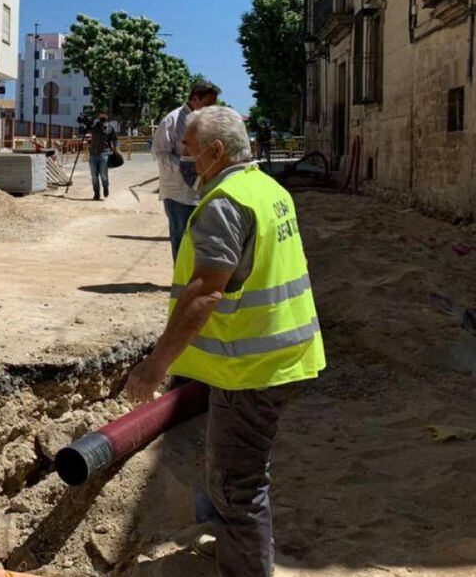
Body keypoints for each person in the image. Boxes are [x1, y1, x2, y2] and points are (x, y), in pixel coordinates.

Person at [126, 106, 326, 577]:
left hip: (251, 369)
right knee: (240, 473)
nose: (189, 164)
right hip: (283, 355)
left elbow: (205, 292)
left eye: (193, 154)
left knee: (239, 485)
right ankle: (239, 549)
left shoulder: (224, 203)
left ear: (217, 152)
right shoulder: (268, 190)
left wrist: (156, 366)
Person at [151, 80, 221, 260]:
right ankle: (181, 283)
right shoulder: (172, 120)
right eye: (208, 104)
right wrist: (186, 165)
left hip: (203, 191)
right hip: (178, 194)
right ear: (196, 99)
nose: (210, 108)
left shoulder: (207, 121)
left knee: (201, 240)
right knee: (181, 240)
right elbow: (160, 153)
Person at [86, 110, 119, 200]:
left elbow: (115, 139)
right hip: (93, 154)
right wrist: (85, 124)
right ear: (98, 116)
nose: (102, 116)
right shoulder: (93, 127)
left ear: (107, 116)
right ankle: (96, 193)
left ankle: (105, 187)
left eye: (104, 114)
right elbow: (84, 132)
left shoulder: (110, 128)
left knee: (103, 174)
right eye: (101, 114)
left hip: (104, 154)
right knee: (94, 176)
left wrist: (116, 149)